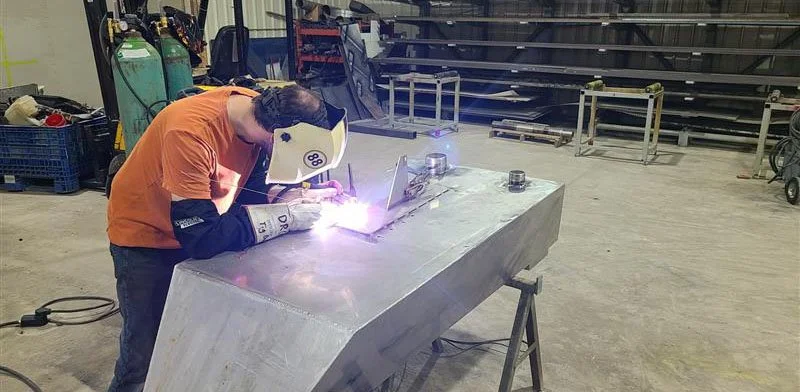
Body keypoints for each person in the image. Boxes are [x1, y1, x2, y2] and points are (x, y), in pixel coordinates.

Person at [105, 85, 347, 392]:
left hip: (200, 218)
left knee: (195, 335)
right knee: (145, 345)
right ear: (280, 135)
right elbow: (202, 238)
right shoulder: (190, 133)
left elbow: (250, 187)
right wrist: (288, 217)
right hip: (146, 234)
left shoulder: (256, 112)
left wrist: (298, 197)